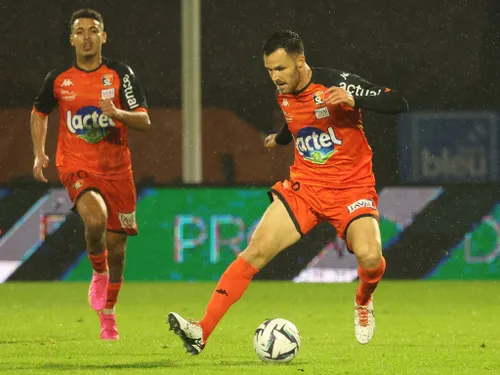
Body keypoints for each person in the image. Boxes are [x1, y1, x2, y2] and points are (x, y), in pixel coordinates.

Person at [167, 30, 408, 353]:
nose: (275, 77)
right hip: (304, 188)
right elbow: (295, 122)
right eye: (269, 70)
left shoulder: (338, 84)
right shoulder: (284, 94)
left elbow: (398, 102)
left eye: (281, 69)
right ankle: (201, 331)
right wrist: (279, 139)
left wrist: (355, 99)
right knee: (255, 251)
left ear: (300, 62)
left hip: (351, 190)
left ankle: (363, 300)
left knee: (370, 256)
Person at [31, 8, 150, 340]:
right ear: (72, 39)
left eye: (93, 30)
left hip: (118, 171)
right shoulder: (59, 78)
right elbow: (39, 111)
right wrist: (40, 152)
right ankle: (98, 272)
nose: (86, 36)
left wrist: (119, 113)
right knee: (94, 219)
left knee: (118, 249)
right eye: (80, 31)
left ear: (103, 36)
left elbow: (144, 121)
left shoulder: (120, 74)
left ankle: (108, 316)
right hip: (76, 166)